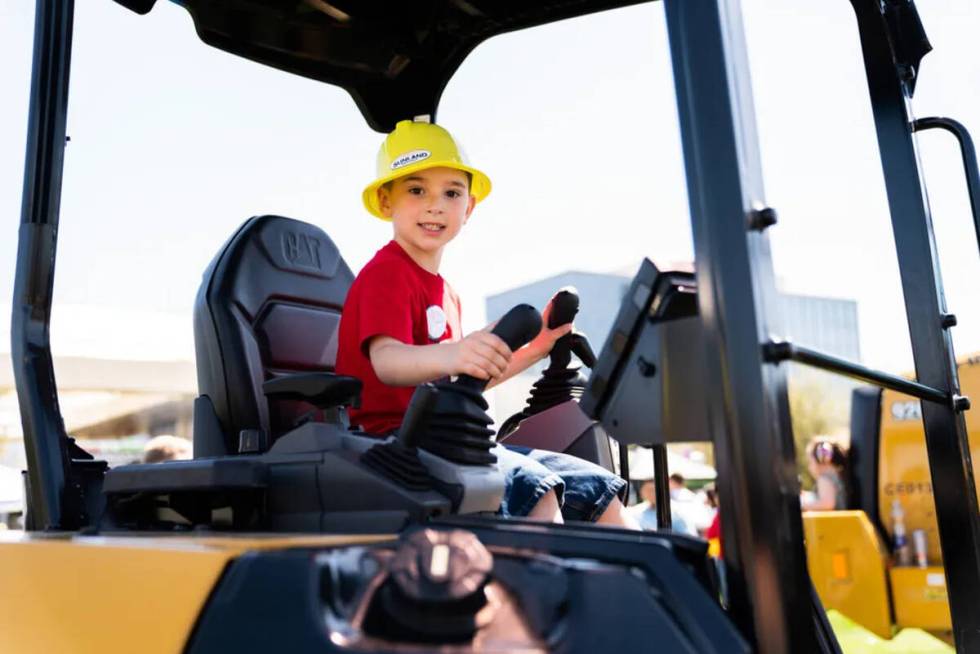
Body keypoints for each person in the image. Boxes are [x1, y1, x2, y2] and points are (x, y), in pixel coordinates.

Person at [336, 119, 635, 527]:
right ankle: (545, 590)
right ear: (386, 201)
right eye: (416, 189)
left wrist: (537, 347)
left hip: (446, 438)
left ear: (469, 207)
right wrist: (457, 352)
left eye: (452, 193)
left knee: (598, 487)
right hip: (391, 444)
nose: (435, 204)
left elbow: (466, 383)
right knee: (537, 491)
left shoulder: (449, 295)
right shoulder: (385, 273)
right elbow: (388, 362)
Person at [627, 480, 696, 535]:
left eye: (653, 490)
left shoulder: (678, 511)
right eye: (648, 491)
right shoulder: (635, 511)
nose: (651, 494)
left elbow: (688, 536)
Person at [800, 439, 848, 511]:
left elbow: (827, 504)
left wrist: (801, 504)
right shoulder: (837, 476)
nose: (809, 466)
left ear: (822, 459)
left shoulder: (825, 478)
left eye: (810, 462)